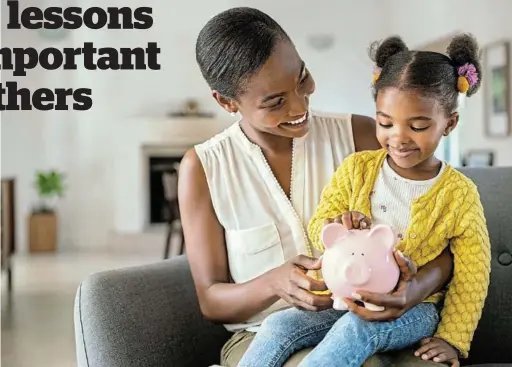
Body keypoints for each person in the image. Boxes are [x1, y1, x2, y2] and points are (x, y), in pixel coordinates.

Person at [179, 7, 454, 367]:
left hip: (375, 321)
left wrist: (412, 291)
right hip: (263, 338)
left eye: (302, 78)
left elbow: (449, 236)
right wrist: (273, 284)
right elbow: (211, 301)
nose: (299, 104)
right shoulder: (204, 168)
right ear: (227, 102)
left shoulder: (362, 136)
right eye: (275, 102)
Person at [237, 33, 492, 367]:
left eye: (417, 126)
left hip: (417, 308)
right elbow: (320, 225)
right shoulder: (358, 168)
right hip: (346, 297)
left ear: (449, 124)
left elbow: (474, 273)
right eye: (385, 123)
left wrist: (452, 340)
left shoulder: (459, 194)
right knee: (279, 324)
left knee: (356, 330)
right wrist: (337, 225)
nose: (398, 138)